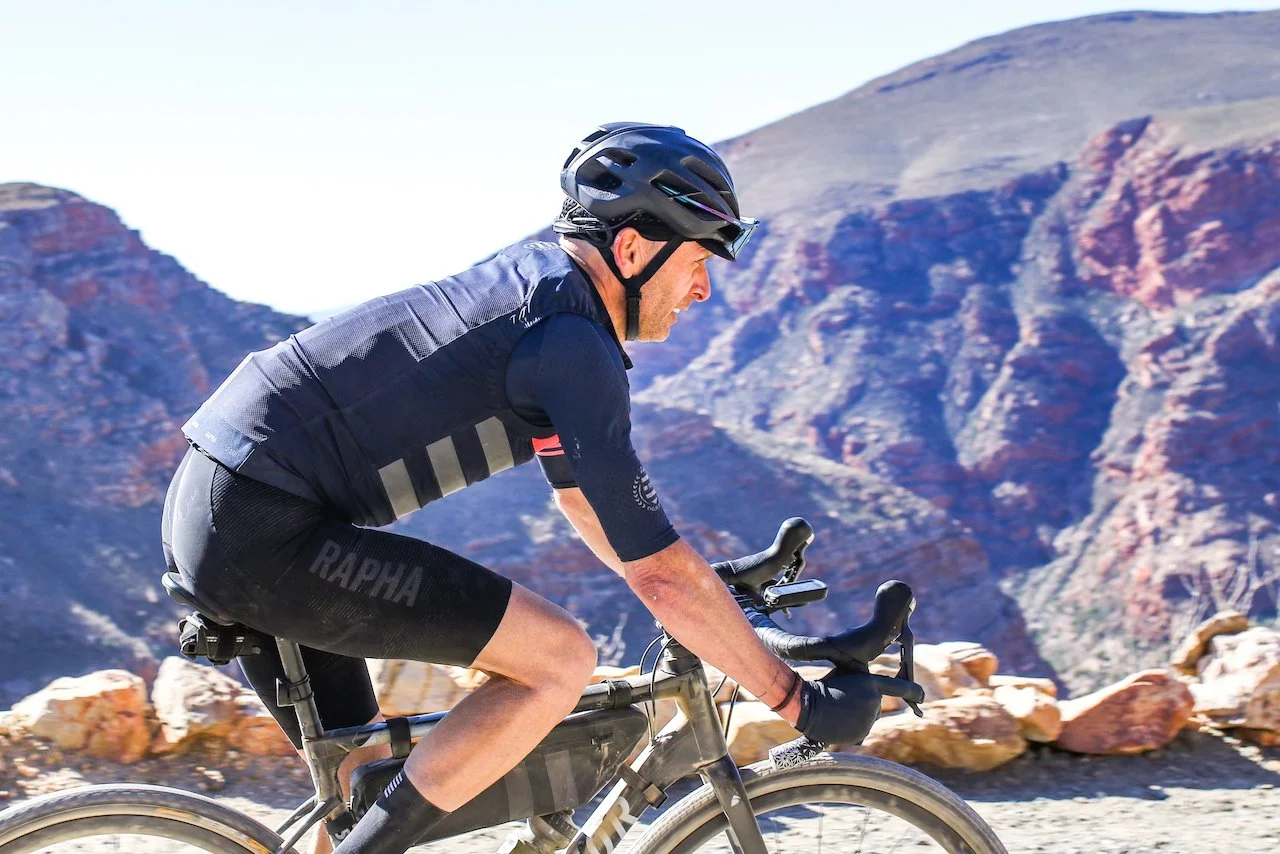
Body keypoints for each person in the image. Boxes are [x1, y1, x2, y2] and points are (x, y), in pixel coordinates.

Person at [161, 122, 881, 854]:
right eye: (699, 261)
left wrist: (708, 592)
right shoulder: (571, 343)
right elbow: (659, 576)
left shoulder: (543, 299)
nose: (701, 288)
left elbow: (588, 507)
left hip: (228, 504)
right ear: (633, 250)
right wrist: (795, 698)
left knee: (367, 780)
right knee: (558, 660)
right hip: (260, 527)